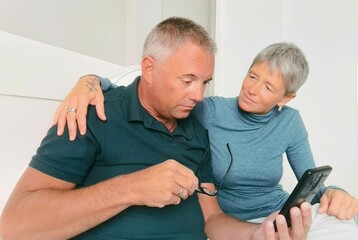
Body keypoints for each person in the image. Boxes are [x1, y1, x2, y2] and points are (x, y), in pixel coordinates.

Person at [0, 17, 312, 240]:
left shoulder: (198, 130)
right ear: (149, 68)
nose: (199, 96)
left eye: (205, 83)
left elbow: (212, 219)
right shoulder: (93, 112)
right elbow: (14, 226)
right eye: (187, 81)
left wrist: (255, 234)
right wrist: (132, 187)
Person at [52, 41, 358, 239]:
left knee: (345, 229)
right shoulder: (209, 110)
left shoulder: (290, 121)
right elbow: (148, 88)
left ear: (286, 97)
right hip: (233, 223)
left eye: (267, 87)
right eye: (252, 76)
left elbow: (312, 181)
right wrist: (89, 81)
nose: (252, 89)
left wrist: (337, 194)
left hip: (278, 212)